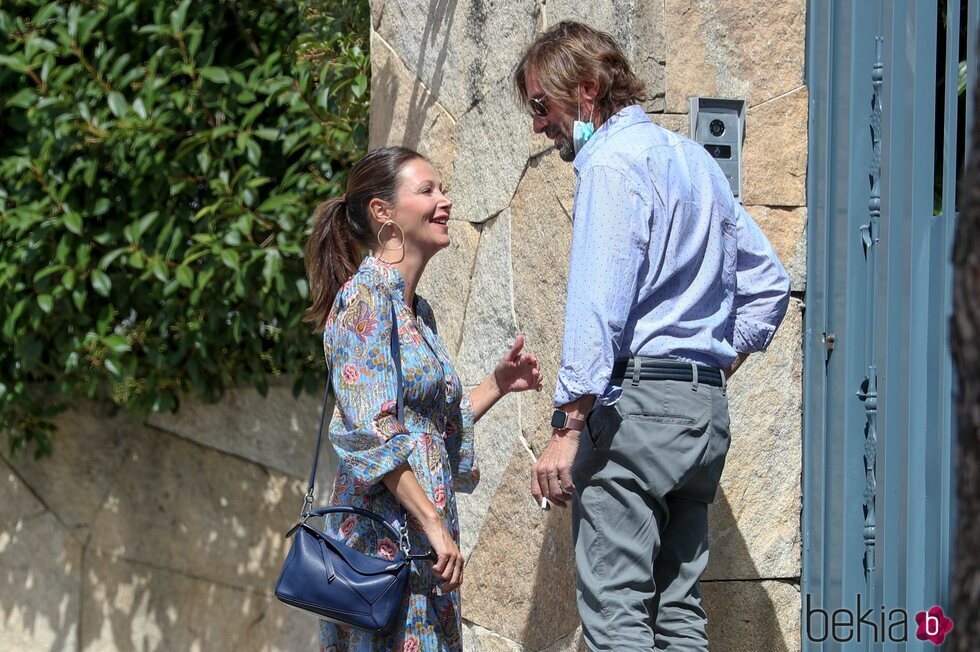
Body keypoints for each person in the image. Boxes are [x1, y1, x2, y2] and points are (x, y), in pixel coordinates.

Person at [514, 22, 791, 650]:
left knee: (617, 621)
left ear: (587, 90)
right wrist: (708, 364)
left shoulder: (611, 163)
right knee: (678, 615)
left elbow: (598, 302)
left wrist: (567, 426)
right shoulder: (693, 159)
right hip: (702, 415)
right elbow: (769, 284)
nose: (538, 124)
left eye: (541, 104)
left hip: (634, 416)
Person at [303, 146, 542, 651]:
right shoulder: (363, 301)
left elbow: (430, 430)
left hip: (419, 544)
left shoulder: (416, 312)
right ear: (383, 213)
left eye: (443, 188)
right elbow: (373, 432)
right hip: (383, 541)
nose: (445, 200)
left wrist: (497, 384)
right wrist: (431, 521)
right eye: (427, 190)